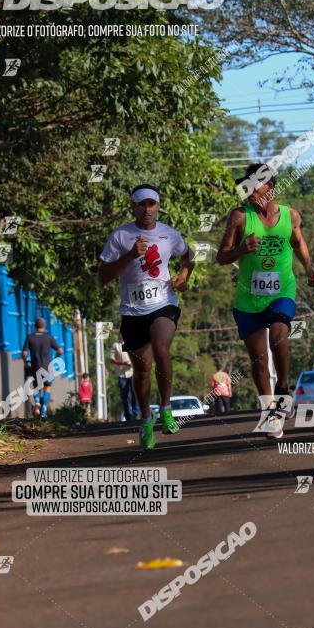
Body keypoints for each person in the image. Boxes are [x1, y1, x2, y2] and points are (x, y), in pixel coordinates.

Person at [216, 163, 314, 439]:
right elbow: (221, 257)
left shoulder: (290, 216)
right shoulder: (238, 217)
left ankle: (283, 389)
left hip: (281, 291)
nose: (248, 192)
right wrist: (240, 249)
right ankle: (270, 412)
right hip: (248, 300)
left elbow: (298, 243)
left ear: (270, 186)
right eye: (245, 187)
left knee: (279, 339)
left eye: (253, 186)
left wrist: (309, 268)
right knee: (259, 360)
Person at [98, 184, 195, 449]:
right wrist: (130, 255)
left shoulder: (169, 234)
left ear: (158, 206)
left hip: (164, 303)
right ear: (133, 207)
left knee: (162, 349)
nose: (147, 209)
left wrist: (184, 276)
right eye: (141, 204)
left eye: (151, 203)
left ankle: (166, 409)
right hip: (132, 311)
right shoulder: (120, 236)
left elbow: (189, 256)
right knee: (141, 371)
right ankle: (145, 419)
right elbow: (103, 277)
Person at [21, 318, 64, 419]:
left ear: (35, 326)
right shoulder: (49, 337)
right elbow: (60, 350)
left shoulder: (30, 337)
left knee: (36, 386)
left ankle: (37, 403)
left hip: (35, 367)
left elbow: (24, 353)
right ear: (44, 327)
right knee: (47, 389)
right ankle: (44, 412)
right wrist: (55, 358)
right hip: (48, 368)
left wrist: (25, 363)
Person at [110, 336, 140, 421]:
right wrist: (123, 363)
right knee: (125, 395)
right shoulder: (116, 345)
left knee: (135, 393)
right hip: (122, 374)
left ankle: (136, 413)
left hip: (133, 372)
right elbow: (112, 359)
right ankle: (128, 414)